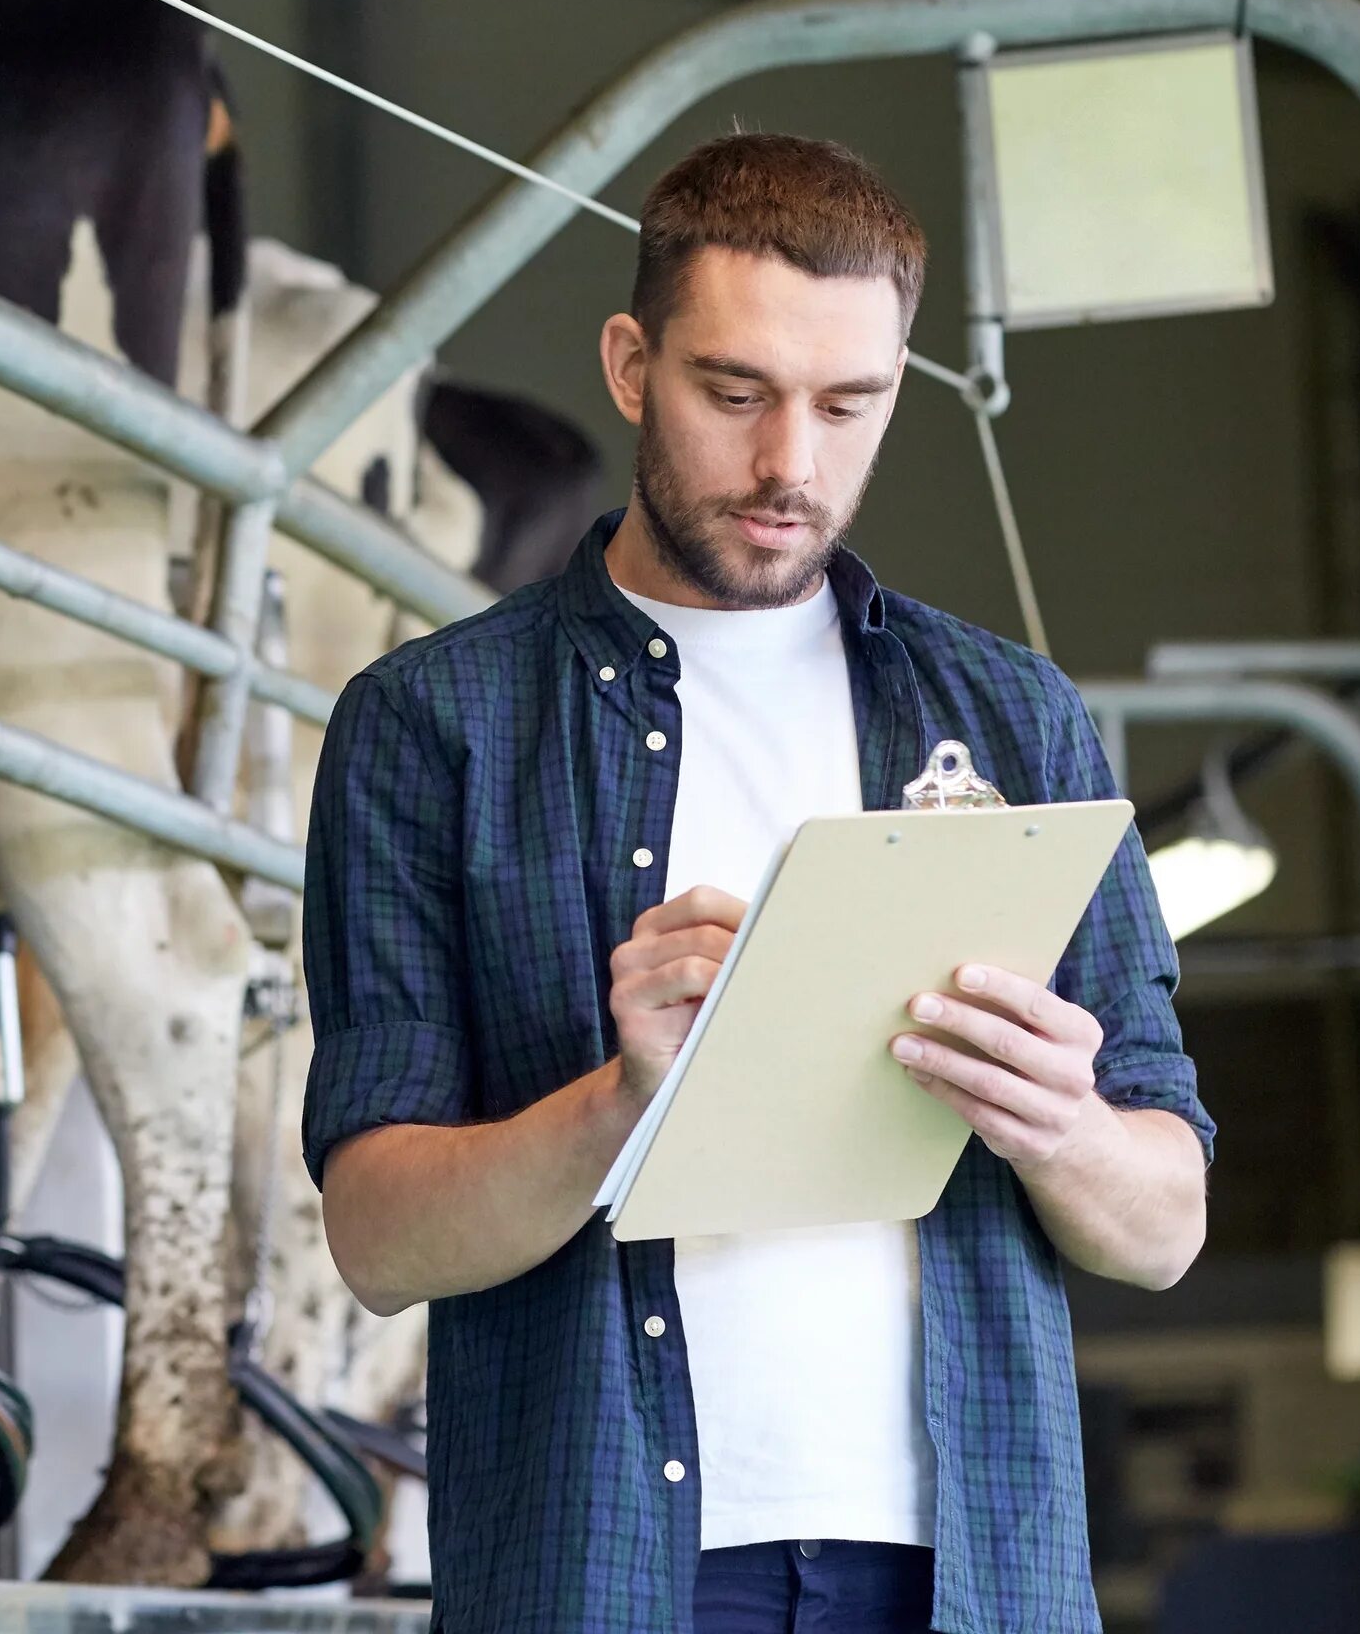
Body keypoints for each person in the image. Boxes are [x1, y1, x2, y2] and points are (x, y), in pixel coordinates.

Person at [303, 132, 1209, 1634]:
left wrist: (1061, 1127)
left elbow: (1164, 1223)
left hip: (967, 1567)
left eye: (848, 405)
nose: (791, 462)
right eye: (735, 395)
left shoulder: (1011, 718)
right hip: (608, 1572)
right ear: (628, 363)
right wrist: (621, 1097)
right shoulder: (436, 724)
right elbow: (378, 1239)